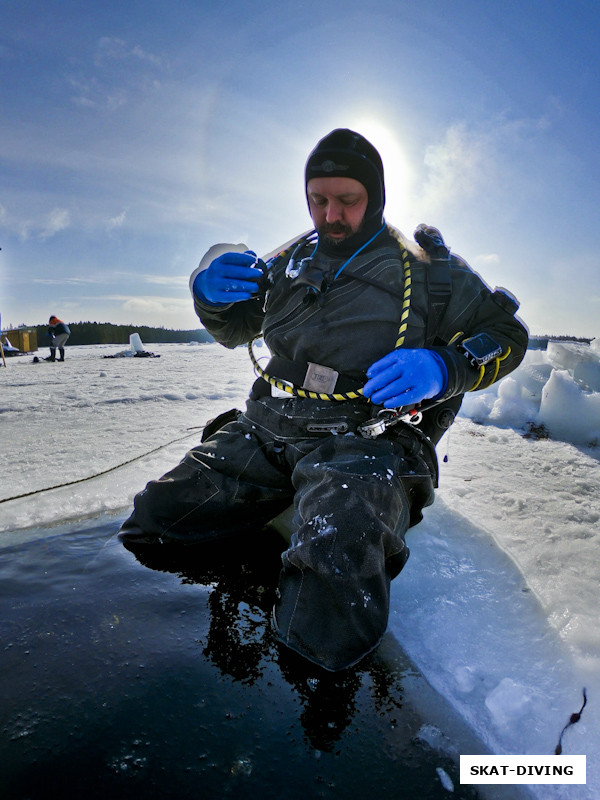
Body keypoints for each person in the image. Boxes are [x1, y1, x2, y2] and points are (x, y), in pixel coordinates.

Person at [120, 129, 529, 671]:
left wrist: (444, 367)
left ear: (376, 196)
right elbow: (236, 327)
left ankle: (316, 701)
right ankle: (256, 573)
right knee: (154, 521)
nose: (330, 215)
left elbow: (507, 334)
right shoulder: (291, 260)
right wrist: (206, 292)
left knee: (332, 599)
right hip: (268, 426)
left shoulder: (430, 272)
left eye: (348, 200)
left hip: (365, 439)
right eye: (318, 200)